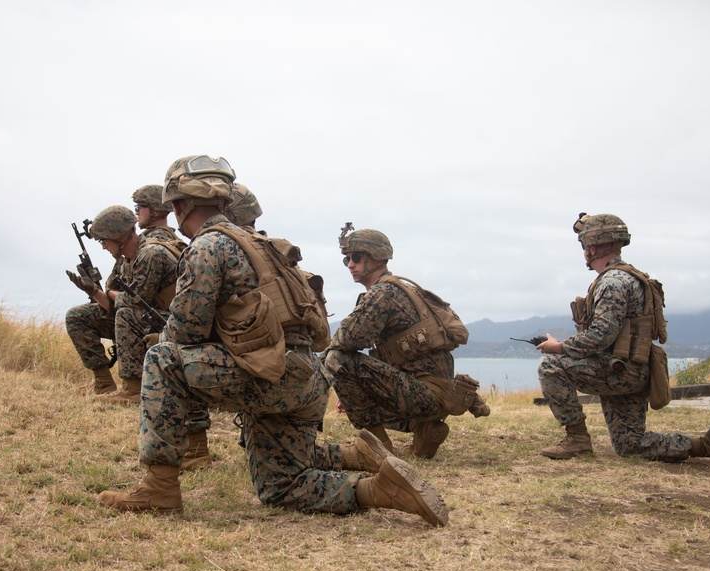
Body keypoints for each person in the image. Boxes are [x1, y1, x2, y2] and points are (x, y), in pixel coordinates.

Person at [97, 155, 449, 526]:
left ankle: (159, 486)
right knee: (280, 486)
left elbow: (185, 332)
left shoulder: (206, 246)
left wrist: (162, 336)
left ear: (180, 205)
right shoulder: (265, 244)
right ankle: (379, 489)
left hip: (268, 376)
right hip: (305, 380)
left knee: (161, 358)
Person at [535, 213, 710, 465]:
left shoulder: (611, 283)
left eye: (584, 246)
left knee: (551, 365)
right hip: (633, 369)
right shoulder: (630, 276)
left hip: (619, 371)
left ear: (591, 248)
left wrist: (560, 347)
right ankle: (705, 444)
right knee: (631, 445)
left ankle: (577, 440)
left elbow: (601, 335)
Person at [323, 226, 489, 459]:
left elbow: (349, 339)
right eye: (347, 259)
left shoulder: (382, 293)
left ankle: (376, 447)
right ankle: (424, 428)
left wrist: (334, 370)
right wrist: (350, 390)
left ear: (377, 258)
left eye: (357, 257)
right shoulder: (403, 288)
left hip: (423, 395)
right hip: (435, 395)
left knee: (336, 359)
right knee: (342, 366)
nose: (350, 264)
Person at [65, 205, 181, 404]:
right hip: (143, 321)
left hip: (169, 324)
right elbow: (114, 307)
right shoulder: (124, 260)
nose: (103, 246)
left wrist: (108, 292)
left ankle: (133, 389)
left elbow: (135, 302)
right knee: (77, 316)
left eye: (104, 241)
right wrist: (93, 291)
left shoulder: (151, 254)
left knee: (127, 313)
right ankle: (103, 384)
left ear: (119, 237)